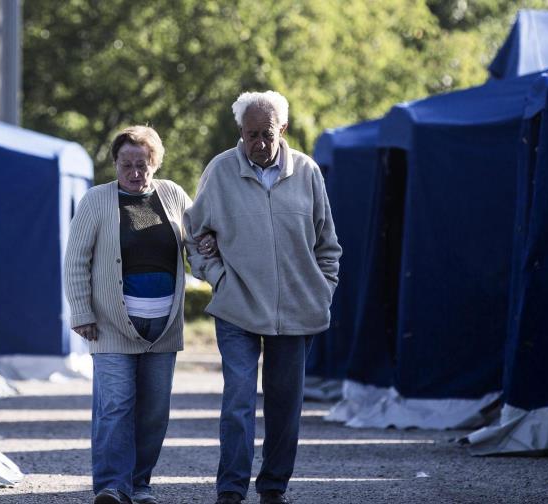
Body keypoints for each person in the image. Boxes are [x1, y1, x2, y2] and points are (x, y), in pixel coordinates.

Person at [184, 91, 342, 504]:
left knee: (285, 406)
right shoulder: (220, 171)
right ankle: (231, 489)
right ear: (241, 132)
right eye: (250, 134)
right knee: (238, 397)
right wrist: (217, 277)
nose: (258, 142)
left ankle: (273, 487)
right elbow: (194, 234)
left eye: (266, 134)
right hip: (237, 307)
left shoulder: (308, 172)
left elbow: (328, 244)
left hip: (296, 308)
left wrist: (323, 289)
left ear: (282, 130)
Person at [64, 125, 214, 504]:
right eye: (126, 164)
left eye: (142, 164)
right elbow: (75, 261)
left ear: (155, 163)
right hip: (112, 325)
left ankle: (140, 483)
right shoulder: (96, 200)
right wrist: (82, 310)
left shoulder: (173, 195)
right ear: (115, 163)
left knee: (153, 412)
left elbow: (196, 241)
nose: (134, 172)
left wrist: (207, 247)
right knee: (115, 406)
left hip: (163, 327)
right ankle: (113, 486)